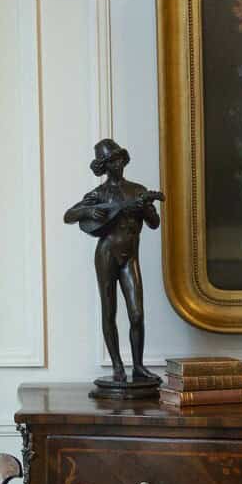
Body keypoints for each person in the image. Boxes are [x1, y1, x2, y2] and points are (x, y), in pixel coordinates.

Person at [64, 139, 163, 388]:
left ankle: (138, 367)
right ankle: (118, 366)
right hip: (106, 255)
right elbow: (69, 215)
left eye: (119, 159)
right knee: (109, 312)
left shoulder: (138, 190)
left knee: (137, 313)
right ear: (105, 165)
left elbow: (154, 224)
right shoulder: (99, 194)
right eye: (112, 161)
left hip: (130, 256)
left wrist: (148, 208)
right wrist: (88, 212)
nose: (117, 164)